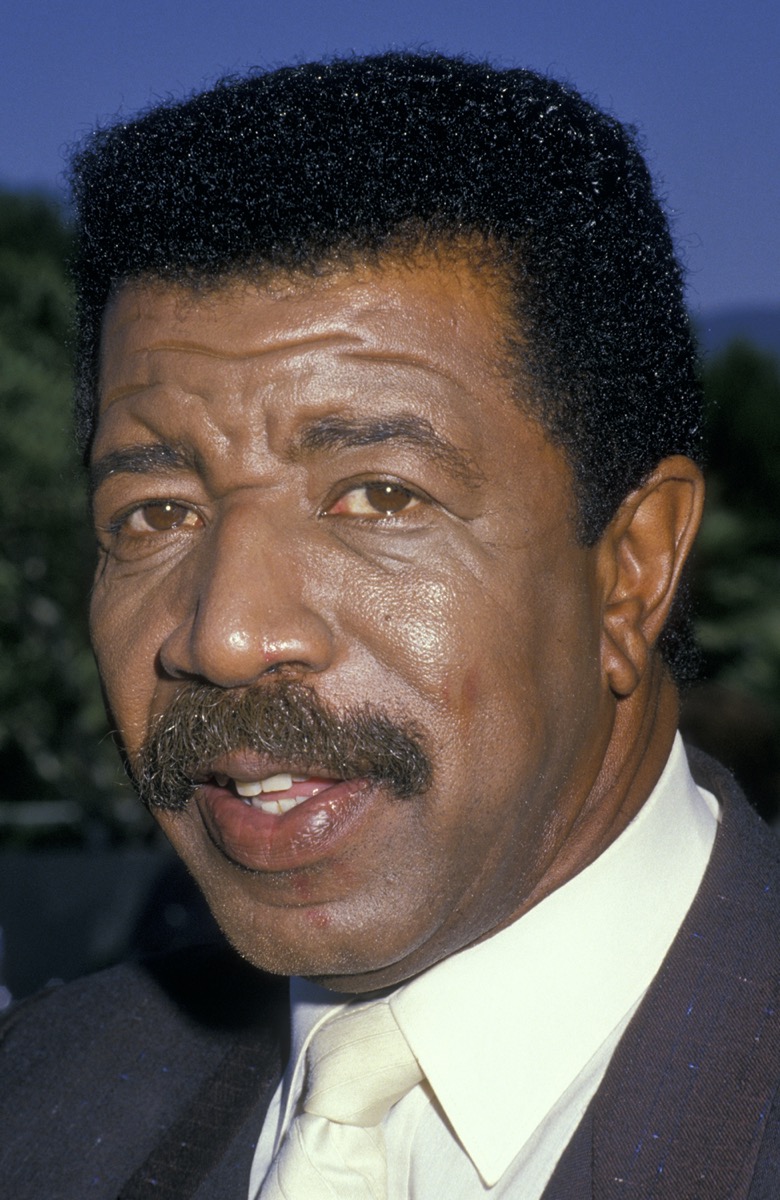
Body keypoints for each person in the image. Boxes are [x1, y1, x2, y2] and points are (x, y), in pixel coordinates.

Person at [1, 51, 779, 1199]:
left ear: (635, 566)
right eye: (157, 513)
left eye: (379, 496)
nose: (224, 635)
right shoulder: (37, 1105)